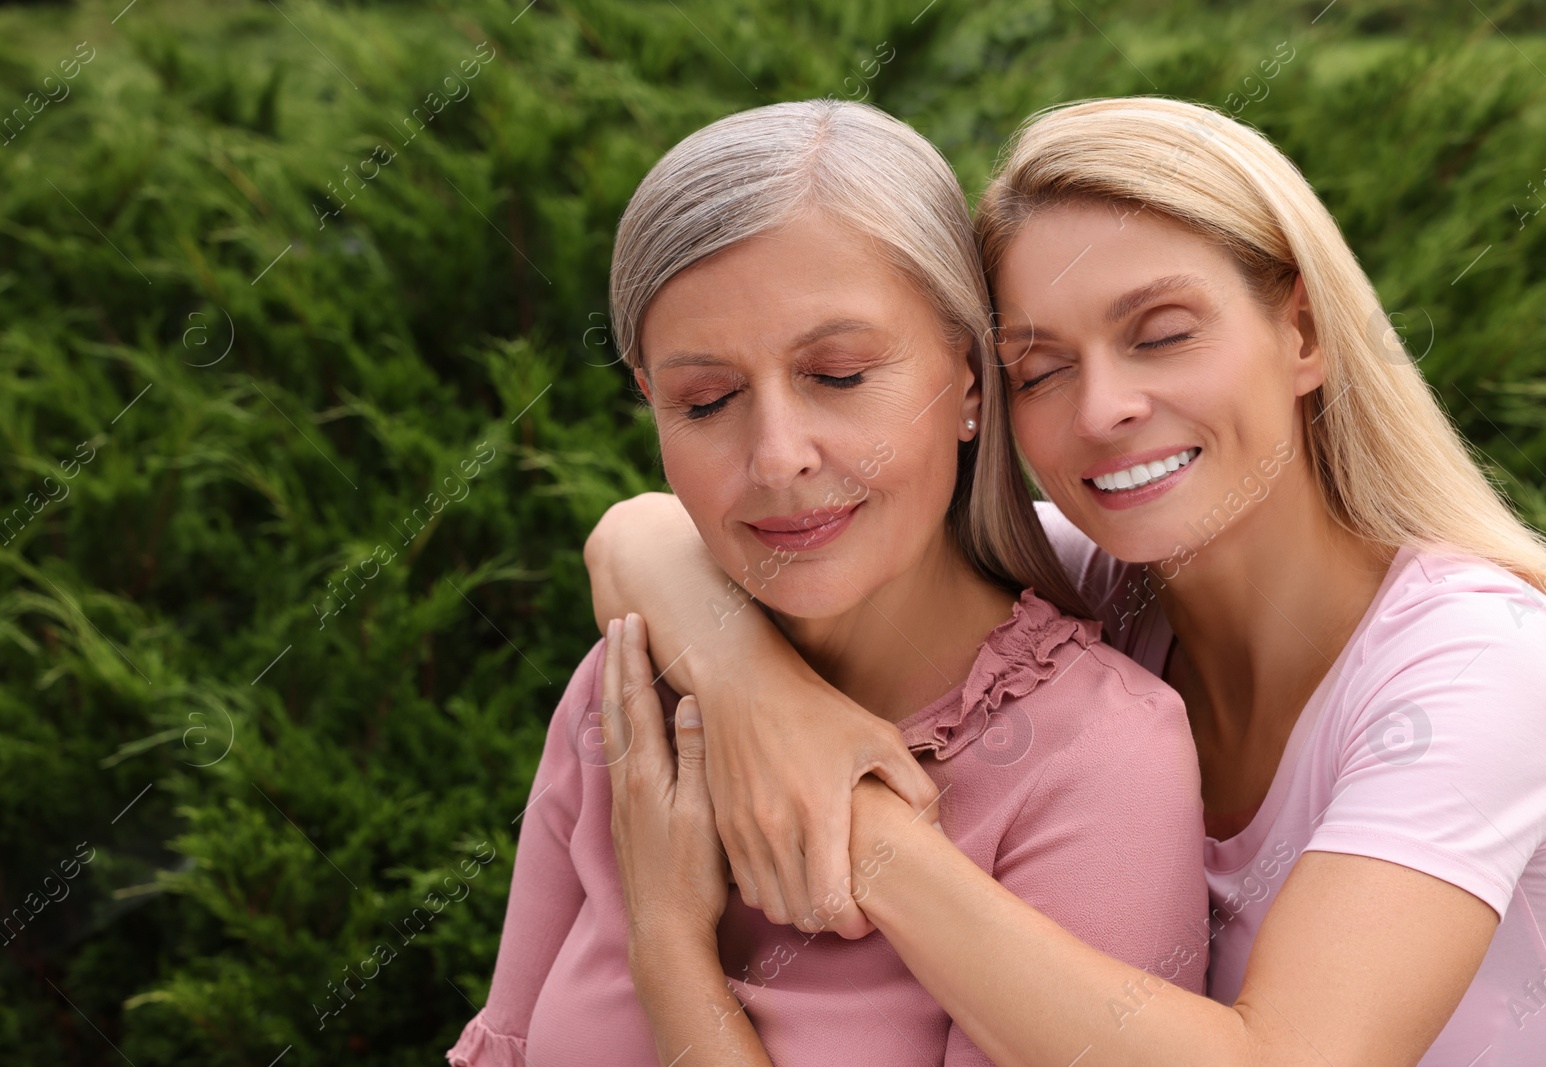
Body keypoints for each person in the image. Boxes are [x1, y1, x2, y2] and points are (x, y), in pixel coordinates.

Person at [587, 97, 1546, 1065]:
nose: (1104, 406)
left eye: (1160, 334)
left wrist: (856, 823)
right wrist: (762, 699)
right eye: (1039, 367)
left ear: (1302, 332)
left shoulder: (1480, 667)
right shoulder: (1091, 582)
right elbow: (637, 535)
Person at [446, 99, 1208, 1067]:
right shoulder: (631, 685)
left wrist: (670, 950)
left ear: (970, 378)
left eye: (839, 375)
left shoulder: (1099, 757)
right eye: (705, 399)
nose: (776, 457)